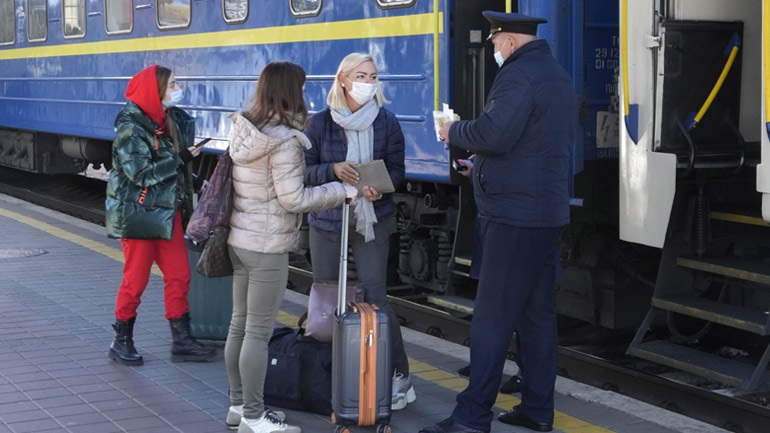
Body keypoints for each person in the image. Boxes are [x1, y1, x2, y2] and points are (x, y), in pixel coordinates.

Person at [422, 10, 576, 433]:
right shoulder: (555, 74)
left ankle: (471, 418)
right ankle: (537, 410)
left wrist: (453, 132)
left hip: (513, 217)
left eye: (493, 43)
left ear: (507, 40)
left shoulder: (518, 75)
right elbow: (533, 145)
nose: (493, 50)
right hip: (544, 213)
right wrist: (484, 167)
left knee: (492, 319)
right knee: (536, 318)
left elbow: (494, 133)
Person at [223, 61, 358, 433]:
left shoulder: (247, 130)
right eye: (300, 87)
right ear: (290, 91)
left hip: (240, 239)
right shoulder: (284, 141)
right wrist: (341, 191)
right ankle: (254, 416)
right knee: (257, 332)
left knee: (239, 325)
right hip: (266, 246)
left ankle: (238, 406)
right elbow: (293, 199)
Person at [303, 52, 414, 411]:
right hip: (328, 219)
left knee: (376, 296)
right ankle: (328, 373)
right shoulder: (320, 123)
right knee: (326, 298)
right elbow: (305, 170)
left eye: (373, 76)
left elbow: (397, 169)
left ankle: (399, 376)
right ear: (343, 79)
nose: (368, 82)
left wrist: (379, 187)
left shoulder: (387, 121)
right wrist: (333, 170)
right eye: (361, 76)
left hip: (372, 218)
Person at [105, 65, 216, 367]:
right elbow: (140, 174)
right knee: (135, 282)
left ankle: (182, 340)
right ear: (155, 92)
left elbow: (171, 168)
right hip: (139, 216)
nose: (178, 90)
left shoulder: (168, 120)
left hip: (168, 214)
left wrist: (196, 182)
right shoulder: (131, 128)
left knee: (179, 276)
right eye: (173, 85)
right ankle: (121, 340)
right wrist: (182, 158)